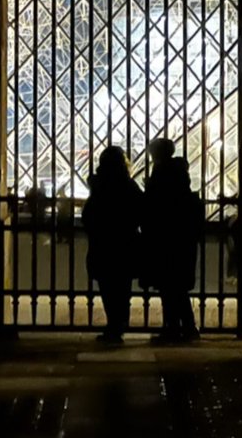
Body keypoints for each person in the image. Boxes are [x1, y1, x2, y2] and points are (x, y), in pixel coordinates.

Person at [142, 138, 204, 343]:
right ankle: (185, 327)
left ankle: (174, 328)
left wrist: (149, 187)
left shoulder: (161, 173)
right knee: (176, 288)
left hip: (165, 238)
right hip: (182, 238)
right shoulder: (179, 174)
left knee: (169, 289)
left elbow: (155, 205)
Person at [81, 146, 143, 344]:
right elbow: (140, 211)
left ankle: (113, 325)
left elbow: (88, 215)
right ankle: (119, 324)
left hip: (103, 244)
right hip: (125, 243)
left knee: (108, 288)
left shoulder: (100, 187)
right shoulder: (129, 185)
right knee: (122, 288)